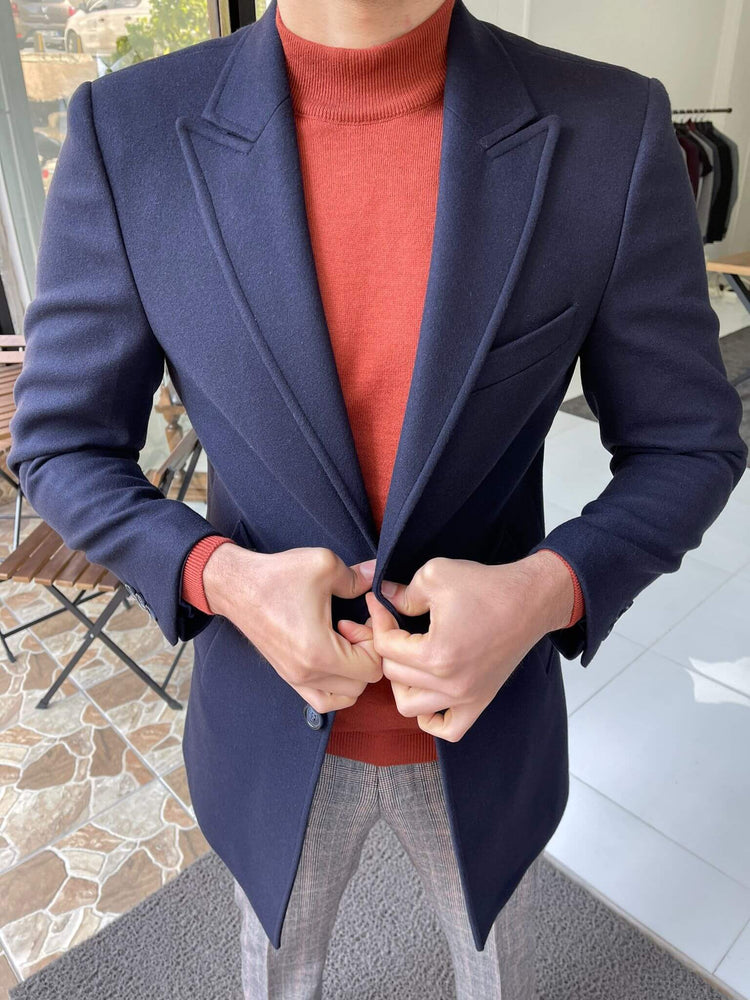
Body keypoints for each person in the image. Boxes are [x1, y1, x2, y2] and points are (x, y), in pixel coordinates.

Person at [8, 0, 746, 996]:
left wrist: (546, 591)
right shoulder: (128, 131)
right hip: (266, 715)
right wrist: (218, 577)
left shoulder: (607, 129)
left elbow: (688, 441)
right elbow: (62, 443)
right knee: (279, 973)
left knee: (503, 972)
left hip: (490, 717)